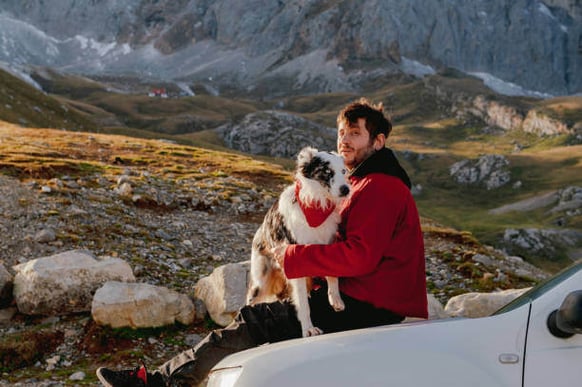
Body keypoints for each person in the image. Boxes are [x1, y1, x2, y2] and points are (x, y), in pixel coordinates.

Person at [96, 98, 428, 387]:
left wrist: (294, 255)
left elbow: (360, 257)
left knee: (256, 320)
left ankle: (157, 383)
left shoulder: (381, 188)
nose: (344, 140)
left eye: (355, 133)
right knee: (264, 317)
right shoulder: (363, 181)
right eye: (341, 132)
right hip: (366, 300)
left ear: (379, 141)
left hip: (370, 306)